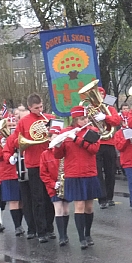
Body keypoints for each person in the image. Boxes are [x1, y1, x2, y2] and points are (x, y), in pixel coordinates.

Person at [8, 94, 56, 242]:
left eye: (41, 106)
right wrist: (26, 142)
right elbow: (15, 141)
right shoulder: (24, 122)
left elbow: (59, 135)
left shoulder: (49, 118)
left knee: (50, 197)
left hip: (49, 161)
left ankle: (50, 228)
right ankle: (40, 231)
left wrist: (51, 134)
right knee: (38, 198)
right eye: (36, 108)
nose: (40, 110)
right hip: (33, 163)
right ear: (29, 108)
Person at [53, 106, 102, 249]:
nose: (84, 120)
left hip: (89, 172)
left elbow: (94, 149)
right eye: (81, 118)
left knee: (89, 206)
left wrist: (76, 139)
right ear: (74, 119)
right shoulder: (65, 132)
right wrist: (58, 144)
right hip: (74, 174)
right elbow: (58, 155)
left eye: (85, 118)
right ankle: (81, 238)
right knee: (79, 205)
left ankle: (88, 233)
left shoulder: (92, 131)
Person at [40, 124, 70, 246]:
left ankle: (65, 233)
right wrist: (53, 184)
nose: (58, 139)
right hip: (53, 186)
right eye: (55, 136)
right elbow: (43, 173)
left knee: (66, 210)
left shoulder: (65, 151)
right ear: (49, 138)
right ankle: (62, 236)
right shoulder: (45, 154)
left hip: (66, 183)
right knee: (58, 209)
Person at [93, 86, 122, 209]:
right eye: (97, 94)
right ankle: (102, 199)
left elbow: (117, 121)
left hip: (109, 143)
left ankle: (110, 197)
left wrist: (105, 117)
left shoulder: (110, 108)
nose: (99, 96)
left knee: (110, 172)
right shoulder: (91, 109)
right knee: (98, 173)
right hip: (97, 143)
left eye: (101, 94)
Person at [0, 117, 26, 236]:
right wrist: (9, 157)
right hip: (9, 172)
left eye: (13, 125)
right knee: (14, 200)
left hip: (21, 171)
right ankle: (17, 226)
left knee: (22, 200)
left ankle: (21, 224)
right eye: (9, 125)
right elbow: (2, 153)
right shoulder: (0, 139)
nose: (11, 127)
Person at [114, 119, 132, 212]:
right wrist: (127, 139)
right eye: (125, 122)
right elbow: (119, 147)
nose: (127, 124)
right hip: (127, 161)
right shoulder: (118, 133)